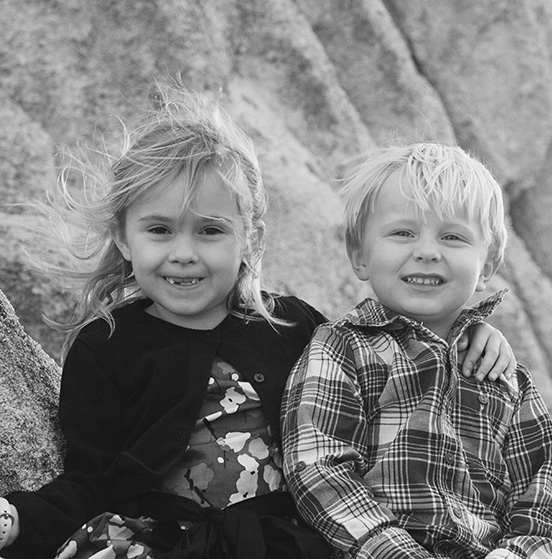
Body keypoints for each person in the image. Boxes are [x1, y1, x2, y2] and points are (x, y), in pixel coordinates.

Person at [0, 88, 517, 559]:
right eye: (159, 230)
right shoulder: (107, 345)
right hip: (164, 542)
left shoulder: (293, 327)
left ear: (249, 236)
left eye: (210, 231)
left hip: (289, 542)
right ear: (122, 237)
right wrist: (20, 518)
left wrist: (467, 333)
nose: (184, 254)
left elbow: (382, 369)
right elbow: (89, 476)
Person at [281, 142, 552, 559]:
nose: (427, 251)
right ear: (359, 255)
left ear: (486, 266)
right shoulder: (343, 348)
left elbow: (542, 504)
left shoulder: (508, 382)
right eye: (403, 233)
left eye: (452, 237)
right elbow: (317, 467)